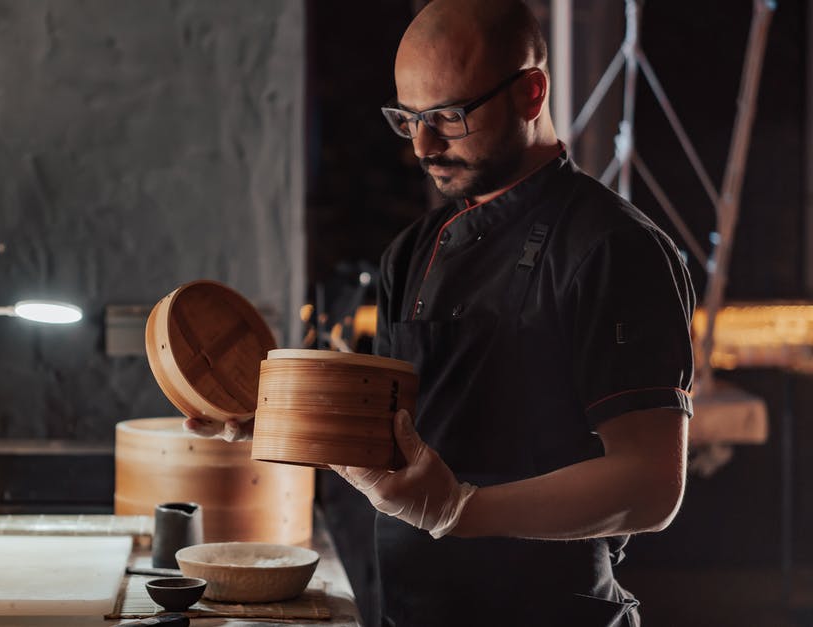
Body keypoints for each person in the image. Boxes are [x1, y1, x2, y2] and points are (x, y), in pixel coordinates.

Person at [186, 0, 694, 624]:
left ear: (531, 92)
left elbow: (650, 487)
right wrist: (274, 418)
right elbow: (396, 440)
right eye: (408, 119)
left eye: (449, 116)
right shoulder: (414, 251)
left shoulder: (613, 248)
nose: (423, 145)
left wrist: (459, 510)